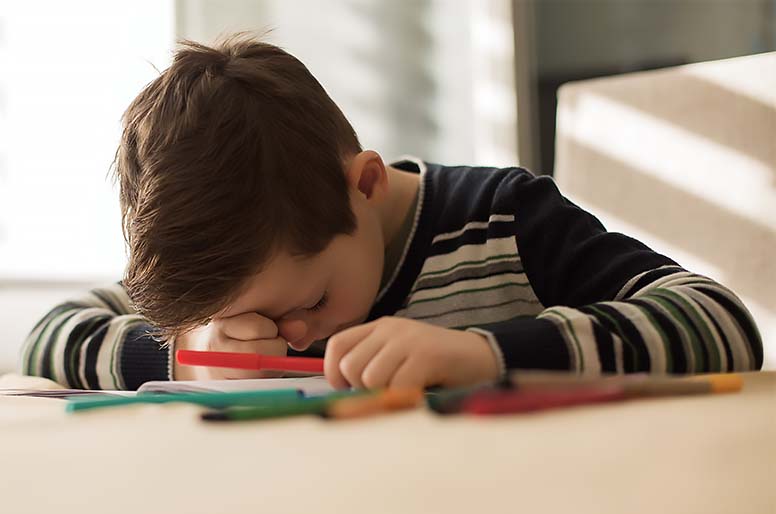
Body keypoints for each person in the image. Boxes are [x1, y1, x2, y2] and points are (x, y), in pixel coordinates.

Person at [19, 35, 763, 391]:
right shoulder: (249, 270)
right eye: (261, 318)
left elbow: (721, 322)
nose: (291, 334)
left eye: (310, 300)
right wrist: (186, 353)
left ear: (366, 184)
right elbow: (51, 335)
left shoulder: (505, 221)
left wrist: (487, 354)